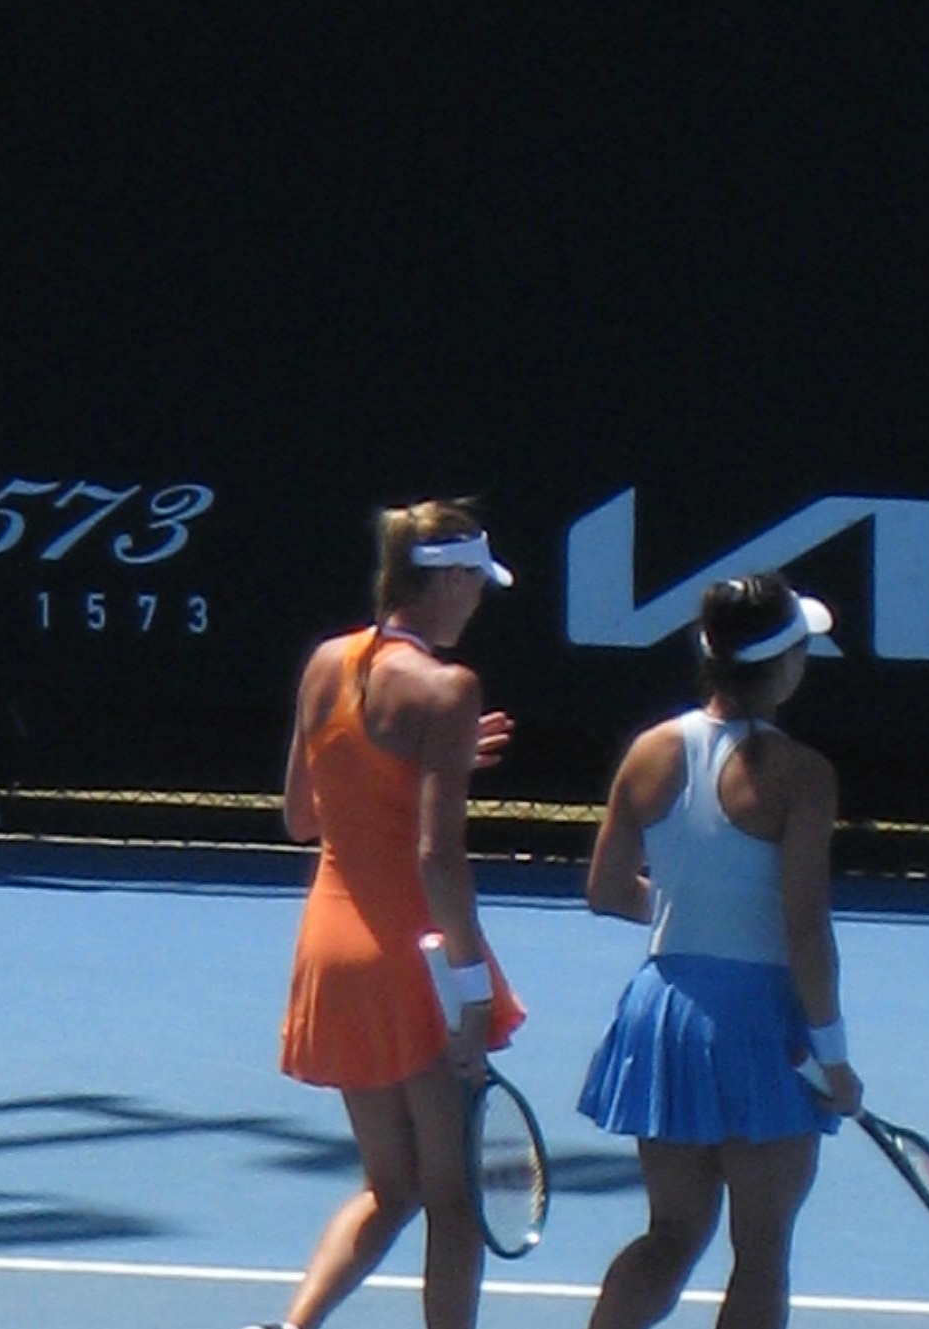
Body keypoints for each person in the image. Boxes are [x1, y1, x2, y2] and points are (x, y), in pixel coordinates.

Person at [246, 499, 523, 1329]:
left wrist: (435, 760)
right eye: (476, 582)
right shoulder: (447, 687)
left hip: (330, 948)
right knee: (453, 1195)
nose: (479, 599)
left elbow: (303, 815)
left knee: (390, 1184)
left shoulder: (326, 662)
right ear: (452, 580)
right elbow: (436, 856)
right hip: (415, 961)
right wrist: (470, 990)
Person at [578, 573, 862, 1329]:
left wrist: (695, 911)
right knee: (762, 1252)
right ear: (784, 664)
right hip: (758, 1023)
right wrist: (833, 1059)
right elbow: (805, 928)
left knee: (671, 1232)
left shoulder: (648, 752)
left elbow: (606, 889)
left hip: (664, 1012)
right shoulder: (803, 775)